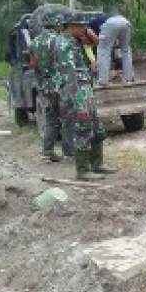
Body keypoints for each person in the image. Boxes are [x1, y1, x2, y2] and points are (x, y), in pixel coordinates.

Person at [56, 11, 116, 181]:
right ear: (70, 26)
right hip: (76, 91)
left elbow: (97, 43)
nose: (85, 28)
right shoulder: (63, 44)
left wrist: (88, 36)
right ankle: (82, 170)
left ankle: (98, 164)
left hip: (85, 87)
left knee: (96, 125)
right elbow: (69, 74)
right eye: (81, 25)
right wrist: (79, 100)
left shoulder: (75, 41)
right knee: (82, 127)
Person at [29, 6, 73, 162]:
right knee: (67, 119)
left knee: (51, 119)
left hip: (45, 85)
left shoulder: (34, 42)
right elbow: (66, 64)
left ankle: (47, 152)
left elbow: (33, 64)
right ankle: (69, 154)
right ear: (56, 24)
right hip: (60, 84)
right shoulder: (60, 40)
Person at [96, 8, 134, 87]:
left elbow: (97, 39)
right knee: (125, 49)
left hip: (112, 23)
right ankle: (129, 78)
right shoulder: (106, 17)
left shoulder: (93, 23)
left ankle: (103, 81)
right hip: (125, 22)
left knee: (103, 50)